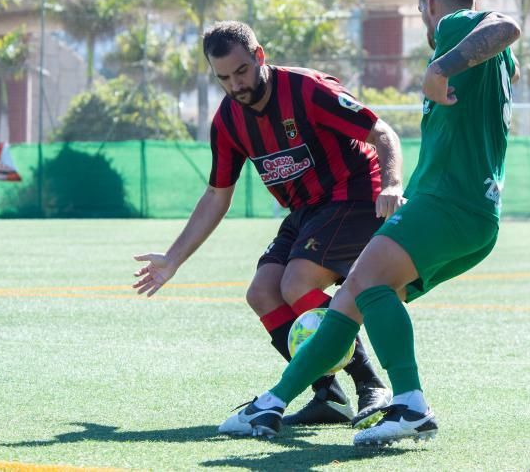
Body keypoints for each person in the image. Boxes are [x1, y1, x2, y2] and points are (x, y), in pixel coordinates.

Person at [219, 0, 521, 445]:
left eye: (423, 14)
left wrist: (441, 64)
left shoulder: (456, 26)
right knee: (360, 294)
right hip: (475, 216)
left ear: (427, 3)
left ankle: (408, 404)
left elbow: (508, 25)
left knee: (359, 286)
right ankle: (271, 406)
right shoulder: (494, 61)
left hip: (446, 203)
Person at [131, 21, 405, 429]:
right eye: (223, 77)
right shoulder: (227, 121)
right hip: (305, 211)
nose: (235, 85)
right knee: (262, 293)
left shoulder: (308, 89)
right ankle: (326, 392)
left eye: (241, 71)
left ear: (259, 56)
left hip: (354, 196)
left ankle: (372, 384)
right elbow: (215, 196)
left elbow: (382, 132)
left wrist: (394, 184)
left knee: (297, 283)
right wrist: (172, 260)